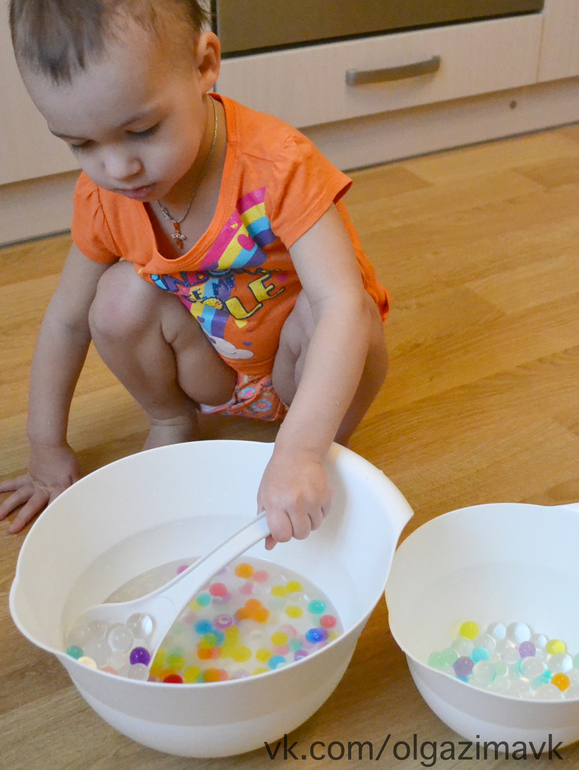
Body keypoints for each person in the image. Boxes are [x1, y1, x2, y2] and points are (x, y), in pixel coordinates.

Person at [0, 0, 389, 548]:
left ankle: (317, 451)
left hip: (301, 369)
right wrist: (46, 448)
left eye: (142, 129)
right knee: (116, 296)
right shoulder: (105, 198)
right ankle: (172, 420)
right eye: (81, 144)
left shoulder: (278, 164)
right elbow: (67, 322)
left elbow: (340, 307)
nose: (118, 168)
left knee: (353, 313)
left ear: (204, 65)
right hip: (212, 374)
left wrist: (299, 452)